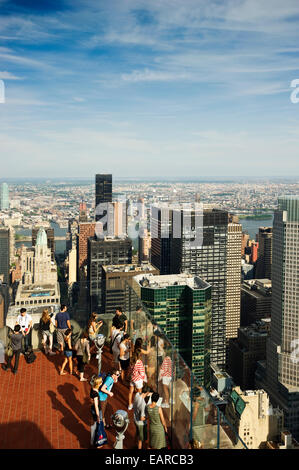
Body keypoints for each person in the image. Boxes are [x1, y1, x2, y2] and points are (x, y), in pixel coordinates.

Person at [90, 377, 107, 448]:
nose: (102, 381)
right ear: (98, 384)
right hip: (97, 411)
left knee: (94, 424)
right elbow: (96, 406)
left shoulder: (92, 389)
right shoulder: (95, 394)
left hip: (92, 409)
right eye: (101, 381)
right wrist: (98, 417)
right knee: (98, 426)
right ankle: (97, 442)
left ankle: (92, 440)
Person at [133, 384, 150, 449]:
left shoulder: (137, 394)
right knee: (141, 439)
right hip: (141, 423)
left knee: (137, 433)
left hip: (135, 419)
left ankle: (134, 443)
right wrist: (148, 416)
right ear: (147, 392)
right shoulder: (143, 404)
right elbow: (142, 418)